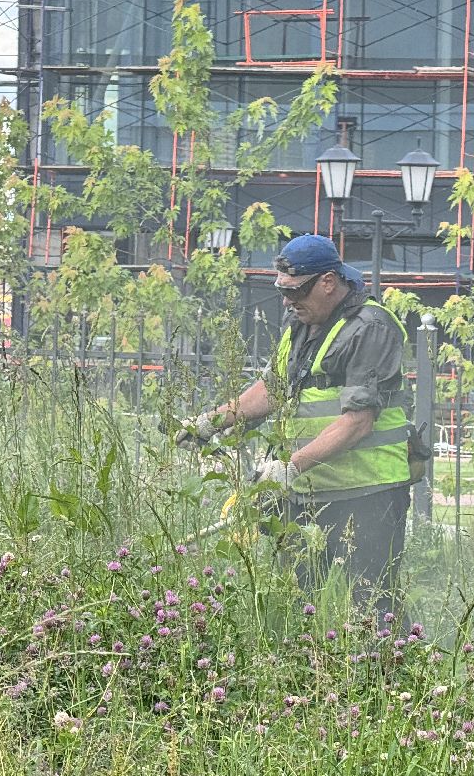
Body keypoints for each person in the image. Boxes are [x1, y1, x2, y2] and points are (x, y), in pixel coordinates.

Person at [176, 234, 416, 627]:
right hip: (307, 492)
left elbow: (358, 422)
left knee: (374, 603)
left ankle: (397, 680)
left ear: (327, 281)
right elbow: (272, 389)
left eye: (295, 291)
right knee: (298, 600)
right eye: (282, 291)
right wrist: (210, 421)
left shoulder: (371, 327)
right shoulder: (302, 323)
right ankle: (309, 678)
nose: (287, 301)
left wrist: (291, 464)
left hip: (369, 493)